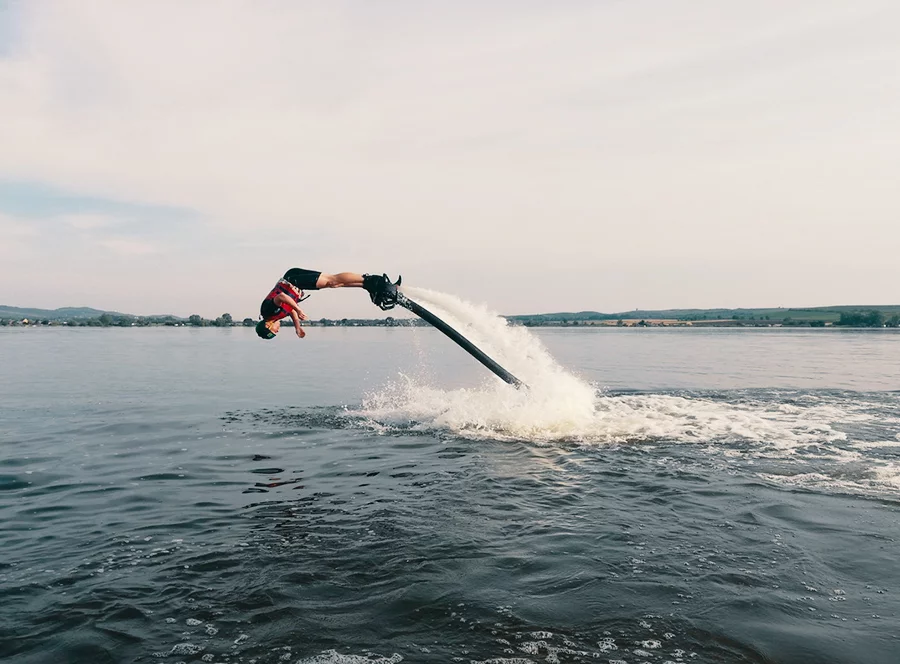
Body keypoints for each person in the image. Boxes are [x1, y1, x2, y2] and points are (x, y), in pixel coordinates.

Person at [255, 268, 401, 340]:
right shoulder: (275, 316)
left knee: (332, 280)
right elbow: (289, 311)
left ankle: (374, 280)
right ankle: (368, 285)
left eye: (275, 331)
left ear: (268, 326)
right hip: (297, 284)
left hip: (293, 279)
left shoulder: (267, 311)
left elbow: (282, 296)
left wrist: (298, 309)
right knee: (334, 284)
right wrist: (297, 328)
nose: (278, 331)